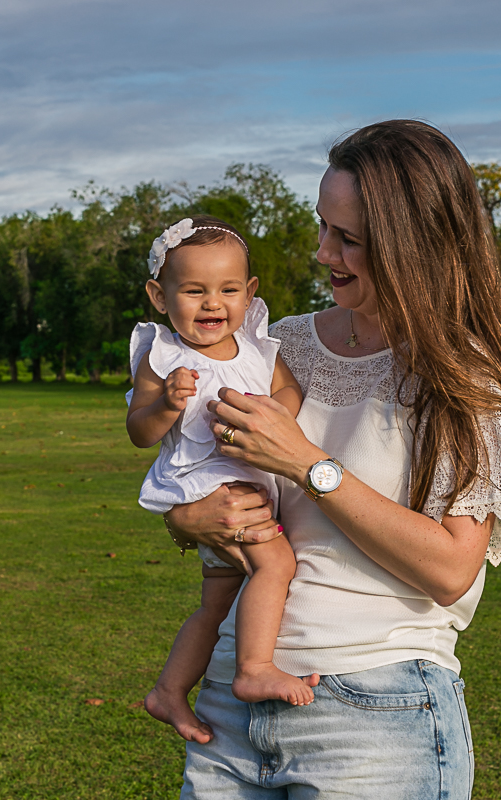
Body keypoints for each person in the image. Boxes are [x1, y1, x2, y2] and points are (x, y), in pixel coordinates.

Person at [163, 120, 501, 797]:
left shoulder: (462, 376)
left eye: (347, 239)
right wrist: (188, 521)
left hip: (375, 711)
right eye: (323, 228)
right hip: (231, 702)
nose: (323, 253)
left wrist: (309, 463)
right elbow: (206, 475)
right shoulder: (280, 345)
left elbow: (453, 568)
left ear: (413, 246)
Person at [126, 215, 319, 746]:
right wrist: (166, 403)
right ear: (159, 296)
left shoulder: (257, 347)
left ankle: (168, 690)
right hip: (209, 486)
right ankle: (254, 667)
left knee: (216, 604)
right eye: (194, 290)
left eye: (228, 289)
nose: (213, 304)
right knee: (276, 564)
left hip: (246, 482)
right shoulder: (163, 357)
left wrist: (267, 412)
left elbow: (291, 394)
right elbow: (139, 431)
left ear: (249, 292)